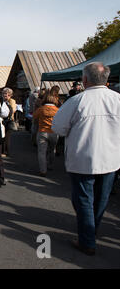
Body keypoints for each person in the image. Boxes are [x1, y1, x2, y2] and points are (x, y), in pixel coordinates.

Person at [52, 62, 120, 256]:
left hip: (82, 160)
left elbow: (58, 127)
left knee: (84, 200)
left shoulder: (77, 101)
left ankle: (87, 239)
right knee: (100, 199)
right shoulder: (117, 99)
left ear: (84, 79)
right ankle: (91, 231)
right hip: (110, 160)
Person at [33, 93, 59, 176]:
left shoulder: (41, 109)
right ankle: (50, 165)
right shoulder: (57, 110)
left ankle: (43, 170)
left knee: (42, 152)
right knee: (52, 150)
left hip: (42, 131)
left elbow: (34, 117)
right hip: (54, 132)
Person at [1, 87, 17, 157]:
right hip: (2, 120)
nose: (5, 96)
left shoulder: (12, 101)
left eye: (7, 94)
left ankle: (5, 151)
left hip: (9, 120)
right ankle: (2, 150)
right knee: (2, 136)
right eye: (4, 94)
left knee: (7, 137)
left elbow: (13, 110)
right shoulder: (1, 100)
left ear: (10, 95)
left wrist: (6, 108)